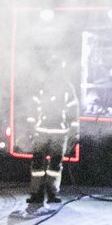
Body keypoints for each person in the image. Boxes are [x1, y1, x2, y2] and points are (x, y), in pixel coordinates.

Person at [25, 68, 81, 207]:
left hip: (54, 133)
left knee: (50, 165)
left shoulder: (65, 87)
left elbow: (73, 111)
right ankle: (41, 193)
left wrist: (75, 132)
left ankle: (47, 193)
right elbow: (33, 108)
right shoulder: (44, 86)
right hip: (48, 133)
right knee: (44, 165)